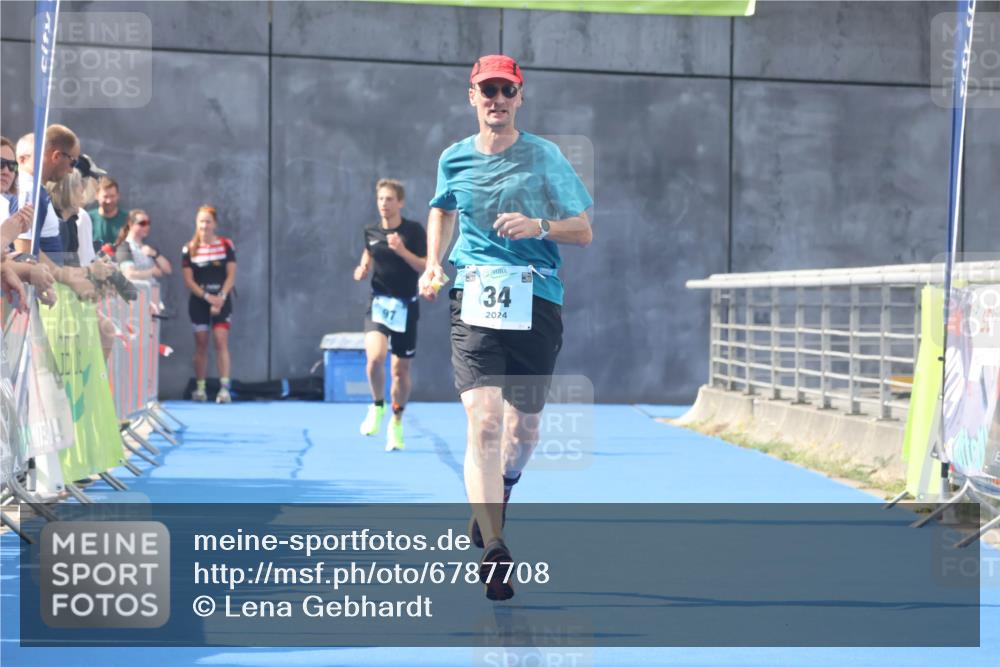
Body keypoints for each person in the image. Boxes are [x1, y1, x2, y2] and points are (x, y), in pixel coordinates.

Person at [418, 54, 593, 600]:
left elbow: (583, 230)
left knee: (525, 430)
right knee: (485, 420)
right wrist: (432, 261)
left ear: (519, 97)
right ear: (472, 96)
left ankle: (504, 489)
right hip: (474, 295)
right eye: (487, 90)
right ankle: (494, 546)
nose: (497, 99)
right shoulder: (454, 158)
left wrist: (538, 225)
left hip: (536, 297)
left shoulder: (545, 157)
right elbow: (442, 209)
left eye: (506, 90)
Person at [353, 179, 427, 451]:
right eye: (381, 199)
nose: (384, 204)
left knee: (400, 370)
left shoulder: (413, 231)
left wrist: (402, 250)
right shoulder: (370, 230)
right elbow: (369, 251)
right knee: (374, 358)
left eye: (389, 199)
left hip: (406, 306)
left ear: (400, 202)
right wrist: (363, 267)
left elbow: (424, 264)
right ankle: (377, 406)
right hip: (379, 303)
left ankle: (396, 421)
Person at [181, 205, 236, 403]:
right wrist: (207, 297)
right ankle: (201, 388)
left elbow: (231, 275)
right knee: (201, 343)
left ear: (215, 224)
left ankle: (224, 388)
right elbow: (189, 281)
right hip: (199, 302)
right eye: (201, 221)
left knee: (221, 341)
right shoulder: (189, 248)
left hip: (222, 300)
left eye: (208, 221)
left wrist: (220, 296)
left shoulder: (226, 245)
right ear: (197, 223)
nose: (204, 225)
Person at [114, 209, 172, 281]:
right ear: (131, 224)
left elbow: (168, 270)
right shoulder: (124, 246)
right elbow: (128, 274)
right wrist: (152, 271)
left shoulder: (149, 247)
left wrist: (155, 254)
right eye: (143, 223)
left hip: (151, 290)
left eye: (148, 223)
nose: (147, 226)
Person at [88, 176, 128, 248]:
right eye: (105, 196)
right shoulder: (88, 219)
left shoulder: (127, 219)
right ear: (97, 196)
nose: (109, 201)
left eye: (112, 196)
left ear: (118, 196)